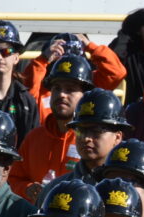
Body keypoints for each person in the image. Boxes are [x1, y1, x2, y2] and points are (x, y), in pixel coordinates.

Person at [10, 48, 92, 197]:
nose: (61, 94)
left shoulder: (92, 141)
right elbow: (14, 179)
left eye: (70, 89)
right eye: (57, 88)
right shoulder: (34, 138)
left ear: (85, 95)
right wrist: (27, 188)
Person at [67, 86, 129, 179]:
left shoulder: (129, 189)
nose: (86, 138)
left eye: (96, 131)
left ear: (117, 137)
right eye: (81, 130)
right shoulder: (61, 189)